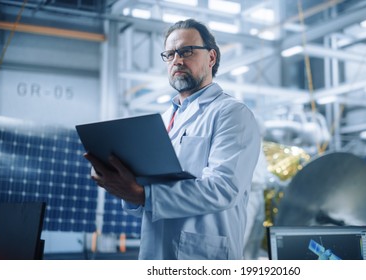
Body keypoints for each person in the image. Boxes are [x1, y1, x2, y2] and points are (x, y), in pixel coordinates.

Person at [83, 18, 260, 260]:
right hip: (155, 252)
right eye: (170, 54)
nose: (177, 60)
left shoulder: (231, 113)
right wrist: (127, 189)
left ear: (211, 58)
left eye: (186, 51)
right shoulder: (164, 120)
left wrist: (142, 195)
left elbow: (222, 189)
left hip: (204, 255)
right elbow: (150, 201)